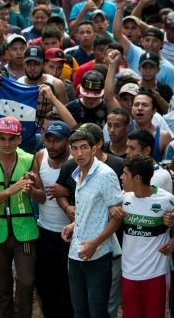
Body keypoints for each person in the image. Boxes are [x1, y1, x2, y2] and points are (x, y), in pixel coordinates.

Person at [0, 117, 45, 318]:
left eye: (12, 138)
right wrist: (11, 190)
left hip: (23, 229)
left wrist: (31, 190)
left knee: (26, 282)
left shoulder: (29, 159)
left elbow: (42, 197)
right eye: (2, 138)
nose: (7, 143)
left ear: (19, 140)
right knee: (2, 284)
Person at [61, 129, 123, 318]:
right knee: (79, 311)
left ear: (94, 149)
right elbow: (91, 209)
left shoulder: (106, 174)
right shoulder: (77, 173)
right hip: (75, 252)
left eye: (84, 148)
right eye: (75, 148)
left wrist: (95, 244)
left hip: (98, 255)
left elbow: (117, 216)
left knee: (98, 313)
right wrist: (74, 225)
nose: (79, 153)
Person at [116, 154, 174, 318]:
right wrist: (112, 209)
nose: (121, 177)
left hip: (157, 275)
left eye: (125, 174)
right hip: (128, 274)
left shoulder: (166, 199)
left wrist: (173, 243)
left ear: (137, 178)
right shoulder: (123, 197)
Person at [34, 121, 74, 318]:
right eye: (48, 140)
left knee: (68, 287)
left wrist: (65, 192)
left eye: (57, 141)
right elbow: (41, 196)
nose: (51, 145)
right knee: (45, 286)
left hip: (71, 233)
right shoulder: (40, 156)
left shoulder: (77, 159)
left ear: (67, 141)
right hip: (45, 231)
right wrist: (31, 188)